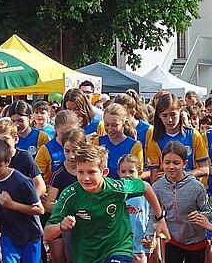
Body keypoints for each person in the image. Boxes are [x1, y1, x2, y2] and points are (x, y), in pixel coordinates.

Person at [43, 144, 170, 263]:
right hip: (86, 255)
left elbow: (145, 187)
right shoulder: (70, 195)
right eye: (80, 172)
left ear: (104, 172)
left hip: (118, 248)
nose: (85, 178)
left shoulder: (117, 188)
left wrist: (160, 218)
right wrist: (61, 226)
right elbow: (47, 234)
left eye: (91, 172)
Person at [0, 119, 45, 263]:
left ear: (7, 162)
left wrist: (15, 203)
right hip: (9, 232)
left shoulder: (22, 175)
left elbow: (39, 206)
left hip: (29, 232)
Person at [152, 141, 212, 263]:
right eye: (167, 163)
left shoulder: (196, 186)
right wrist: (150, 234)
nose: (171, 167)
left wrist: (200, 216)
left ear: (184, 164)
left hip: (196, 241)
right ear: (162, 163)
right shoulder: (157, 187)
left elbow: (209, 212)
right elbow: (153, 214)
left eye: (176, 163)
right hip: (172, 239)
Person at [147, 93, 210, 183]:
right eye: (165, 115)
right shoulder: (155, 139)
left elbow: (204, 169)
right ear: (159, 116)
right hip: (166, 189)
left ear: (180, 112)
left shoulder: (193, 135)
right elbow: (154, 177)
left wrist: (181, 175)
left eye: (173, 115)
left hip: (191, 187)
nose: (170, 120)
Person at [45, 128, 86, 263]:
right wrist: (66, 209)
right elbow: (49, 203)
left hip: (86, 223)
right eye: (67, 151)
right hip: (64, 222)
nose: (71, 156)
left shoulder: (89, 171)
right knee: (59, 258)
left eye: (75, 151)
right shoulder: (59, 173)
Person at [116, 154, 151, 263]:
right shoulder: (115, 194)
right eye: (123, 172)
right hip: (120, 246)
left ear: (140, 173)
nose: (127, 175)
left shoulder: (146, 194)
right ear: (118, 173)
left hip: (141, 246)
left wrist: (151, 236)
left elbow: (153, 218)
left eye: (131, 171)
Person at [98, 103, 143, 179]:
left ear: (124, 123)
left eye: (114, 125)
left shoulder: (135, 146)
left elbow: (137, 174)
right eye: (107, 125)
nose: (110, 129)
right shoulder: (98, 142)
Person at [35, 110, 80, 184]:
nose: (67, 137)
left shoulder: (84, 147)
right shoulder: (45, 150)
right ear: (55, 128)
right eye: (63, 133)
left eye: (72, 132)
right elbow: (37, 179)